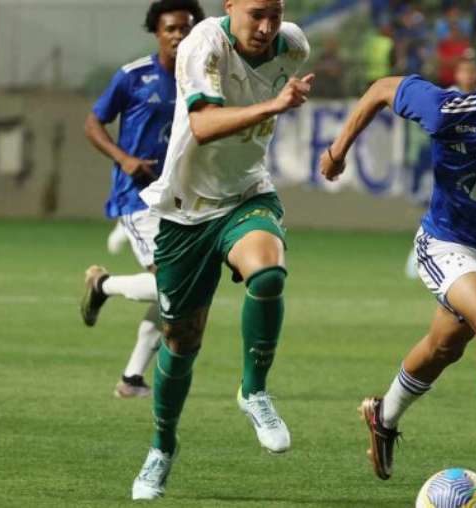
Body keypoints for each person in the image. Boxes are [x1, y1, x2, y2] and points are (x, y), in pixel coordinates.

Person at [321, 39, 476, 482]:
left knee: (443, 348)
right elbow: (382, 88)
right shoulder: (447, 110)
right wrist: (338, 150)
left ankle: (384, 417)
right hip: (443, 243)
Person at [131, 0, 311, 500]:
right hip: (186, 212)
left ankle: (254, 389)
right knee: (181, 343)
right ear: (230, 6)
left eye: (275, 13)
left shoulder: (293, 45)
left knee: (269, 273)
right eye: (256, 14)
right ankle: (161, 448)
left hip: (247, 195)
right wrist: (274, 106)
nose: (267, 26)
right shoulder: (203, 44)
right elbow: (205, 124)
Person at [81, 0, 204, 398]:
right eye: (171, 28)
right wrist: (124, 158)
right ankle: (104, 285)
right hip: (138, 198)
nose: (179, 35)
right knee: (171, 285)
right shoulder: (133, 76)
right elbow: (92, 122)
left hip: (182, 198)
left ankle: (133, 379)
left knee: (179, 293)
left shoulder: (202, 79)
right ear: (157, 32)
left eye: (186, 28)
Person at [404, 55, 476, 279]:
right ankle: (420, 254)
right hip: (448, 166)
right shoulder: (447, 97)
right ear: (457, 74)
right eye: (464, 71)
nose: (468, 76)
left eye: (471, 71)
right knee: (442, 210)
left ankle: (462, 257)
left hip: (474, 167)